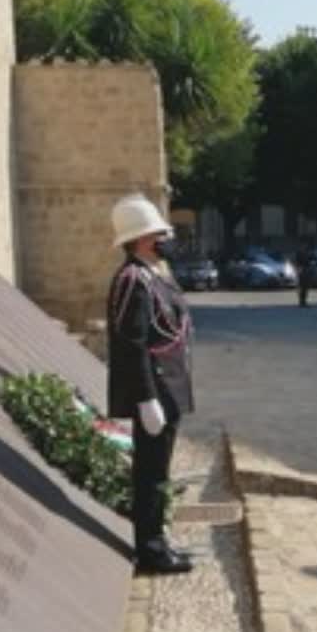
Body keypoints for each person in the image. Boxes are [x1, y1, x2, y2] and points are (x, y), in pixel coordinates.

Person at [107, 193, 195, 575]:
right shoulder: (131, 280)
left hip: (170, 387)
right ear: (142, 238)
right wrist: (145, 398)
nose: (166, 238)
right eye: (159, 233)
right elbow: (132, 344)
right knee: (151, 473)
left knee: (159, 471)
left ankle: (158, 539)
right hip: (156, 390)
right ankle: (152, 550)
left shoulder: (153, 273)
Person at [294, 240, 315, 308]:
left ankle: (304, 301)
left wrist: (312, 262)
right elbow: (296, 262)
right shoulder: (299, 253)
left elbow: (313, 259)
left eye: (306, 245)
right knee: (301, 287)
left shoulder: (309, 252)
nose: (305, 246)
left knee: (306, 287)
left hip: (307, 270)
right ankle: (301, 301)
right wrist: (298, 269)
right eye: (304, 245)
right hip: (301, 270)